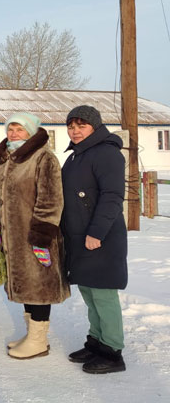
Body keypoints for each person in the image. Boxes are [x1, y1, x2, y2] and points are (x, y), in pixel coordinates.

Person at [0, 112, 70, 359]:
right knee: (26, 284)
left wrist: (41, 234)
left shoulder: (43, 157)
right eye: (11, 129)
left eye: (20, 129)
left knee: (39, 285)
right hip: (11, 234)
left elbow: (51, 200)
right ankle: (31, 334)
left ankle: (39, 340)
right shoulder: (6, 157)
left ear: (32, 132)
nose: (14, 134)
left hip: (35, 235)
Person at [61, 105, 127, 374]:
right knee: (89, 292)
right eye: (71, 126)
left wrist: (96, 233)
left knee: (103, 294)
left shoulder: (107, 154)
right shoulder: (76, 156)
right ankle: (97, 342)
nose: (75, 131)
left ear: (95, 127)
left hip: (100, 237)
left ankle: (112, 352)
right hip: (79, 235)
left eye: (81, 126)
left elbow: (112, 196)